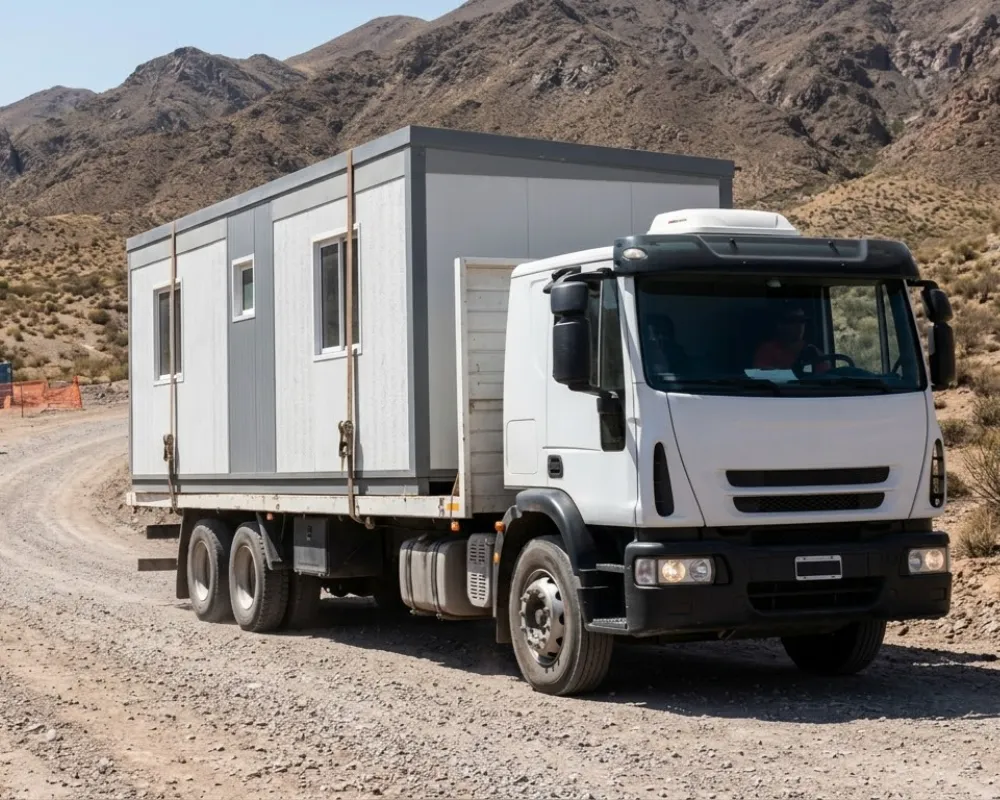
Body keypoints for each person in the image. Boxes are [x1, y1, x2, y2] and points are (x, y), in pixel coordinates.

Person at [752, 302, 829, 374]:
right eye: (793, 321)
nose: (799, 326)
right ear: (780, 325)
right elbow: (761, 376)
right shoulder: (767, 350)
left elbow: (826, 378)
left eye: (802, 321)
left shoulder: (812, 351)